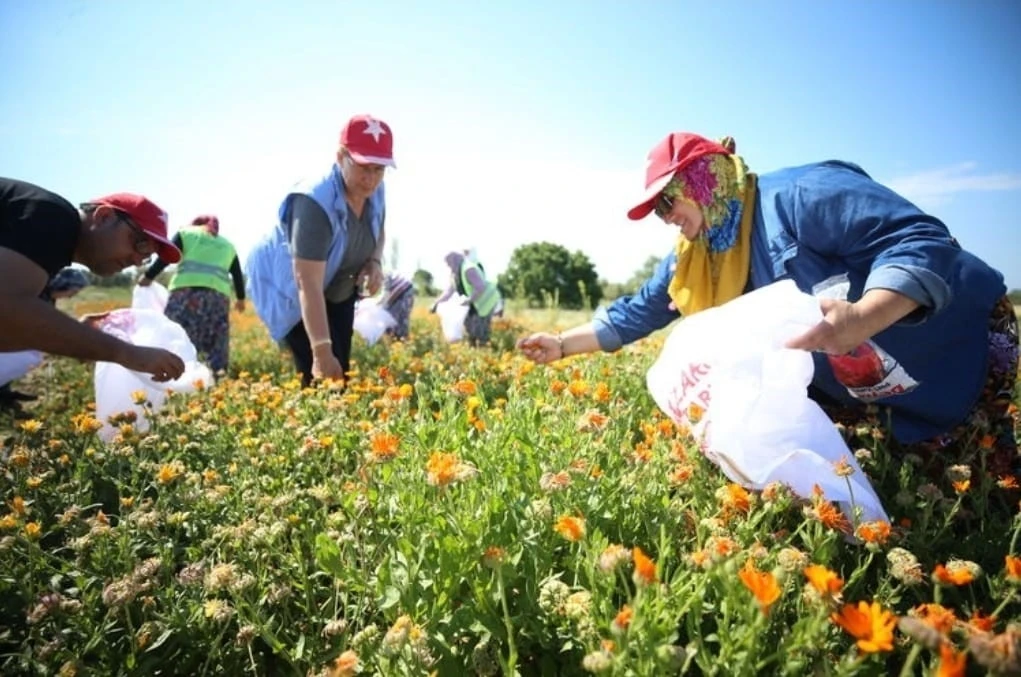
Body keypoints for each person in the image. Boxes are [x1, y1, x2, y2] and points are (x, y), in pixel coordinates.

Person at [517, 132, 1017, 482]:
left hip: (957, 338)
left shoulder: (801, 194)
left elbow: (919, 240)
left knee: (995, 489)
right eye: (658, 211)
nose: (666, 218)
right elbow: (637, 312)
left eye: (669, 202)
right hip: (870, 384)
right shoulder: (694, 260)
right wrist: (561, 345)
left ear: (702, 179)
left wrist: (863, 316)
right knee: (927, 497)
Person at [246, 114, 392, 386]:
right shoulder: (314, 202)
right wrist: (321, 352)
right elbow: (307, 283)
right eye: (363, 166)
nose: (371, 178)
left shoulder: (375, 190)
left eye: (379, 169)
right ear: (340, 156)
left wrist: (375, 262)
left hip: (339, 285)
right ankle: (317, 418)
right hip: (292, 289)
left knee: (341, 370)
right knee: (320, 371)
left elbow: (378, 226)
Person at [0, 178, 186, 383]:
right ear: (104, 216)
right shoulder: (54, 216)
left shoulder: (50, 246)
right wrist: (126, 353)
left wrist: (81, 336)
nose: (137, 260)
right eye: (140, 244)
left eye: (146, 257)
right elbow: (7, 309)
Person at [138, 214, 245, 376]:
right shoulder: (227, 245)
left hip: (185, 295)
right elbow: (237, 274)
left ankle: (175, 373)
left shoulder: (186, 234)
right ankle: (216, 374)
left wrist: (148, 276)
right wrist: (241, 298)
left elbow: (166, 257)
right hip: (218, 298)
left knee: (178, 333)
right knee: (215, 337)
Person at [0, 267, 91, 416]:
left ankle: (4, 393)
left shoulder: (48, 297)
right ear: (64, 285)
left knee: (27, 358)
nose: (71, 296)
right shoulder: (37, 295)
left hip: (16, 339)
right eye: (73, 292)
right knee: (22, 358)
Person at [433, 250, 502, 346]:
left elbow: (480, 286)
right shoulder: (455, 274)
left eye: (449, 263)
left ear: (455, 260)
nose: (448, 266)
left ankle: (484, 352)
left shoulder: (468, 268)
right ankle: (473, 350)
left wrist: (469, 299)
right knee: (469, 325)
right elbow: (448, 292)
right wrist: (436, 303)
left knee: (480, 329)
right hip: (475, 302)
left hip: (486, 301)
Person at [380, 271, 416, 340]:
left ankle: (399, 337)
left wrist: (385, 306)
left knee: (395, 316)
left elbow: (394, 293)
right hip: (408, 292)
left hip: (405, 292)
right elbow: (384, 296)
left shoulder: (385, 278)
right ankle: (397, 337)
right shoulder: (385, 278)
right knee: (395, 316)